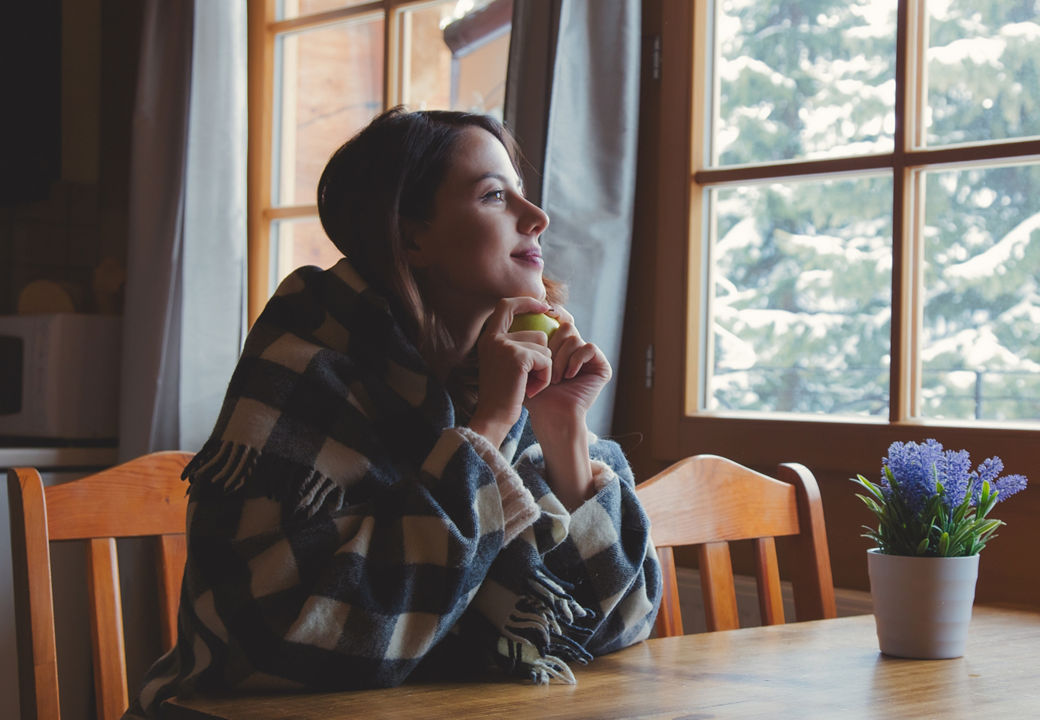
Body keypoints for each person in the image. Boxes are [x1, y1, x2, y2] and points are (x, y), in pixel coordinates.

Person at [126, 108, 661, 716]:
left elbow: (621, 623)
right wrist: (482, 433)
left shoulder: (513, 376)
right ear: (410, 236)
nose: (537, 218)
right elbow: (289, 644)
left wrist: (563, 429)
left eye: (525, 195)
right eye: (494, 195)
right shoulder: (308, 369)